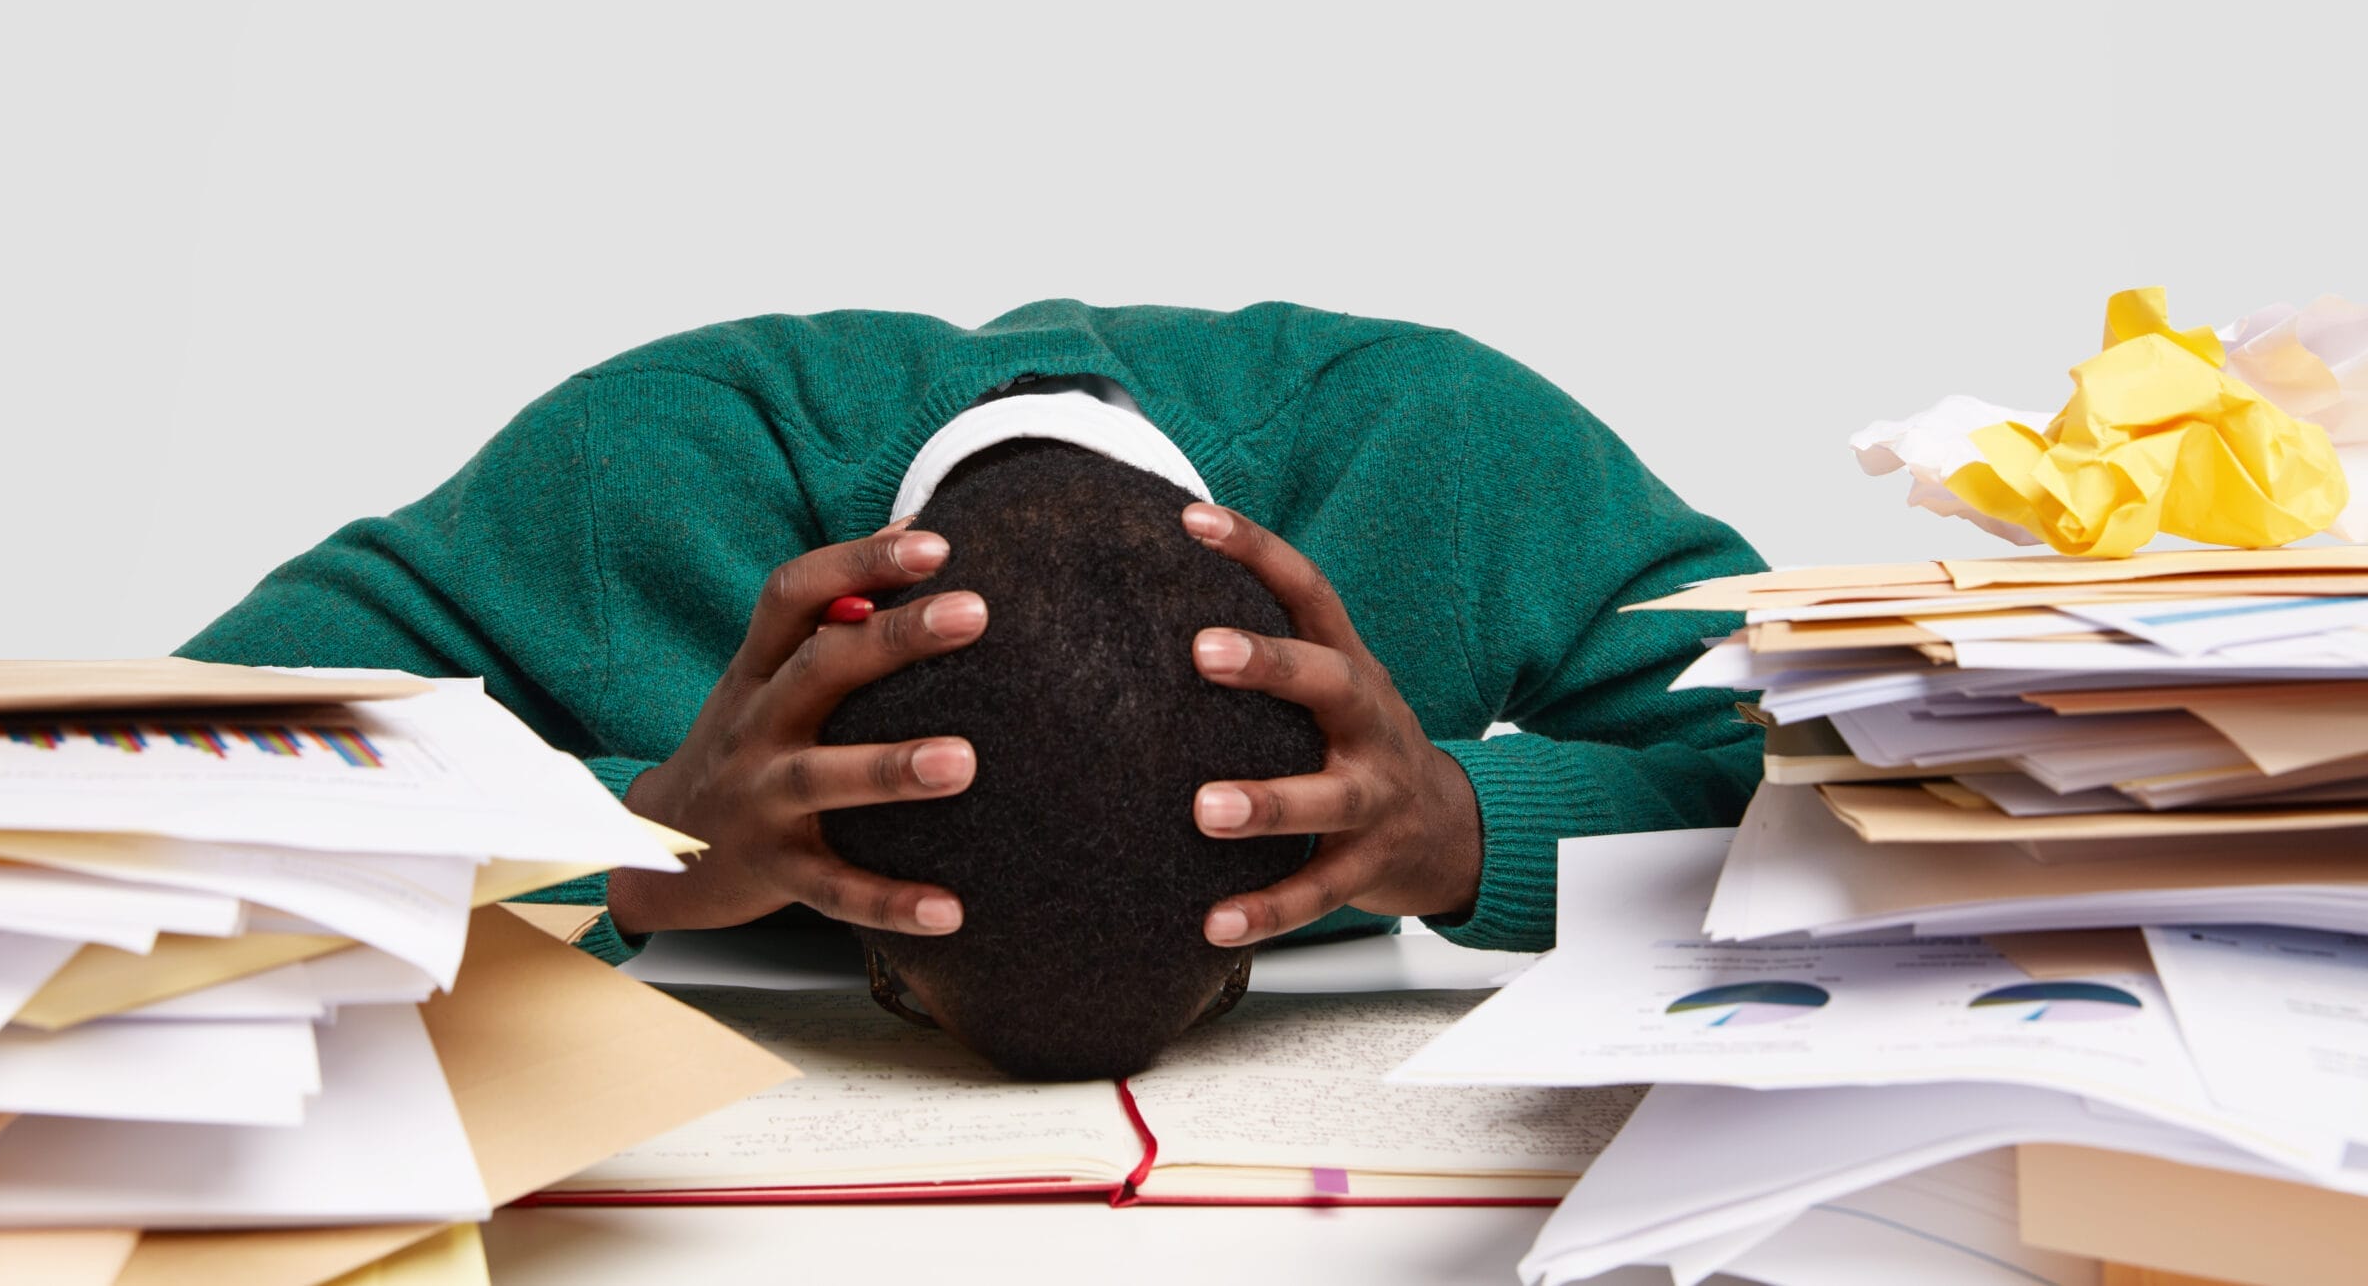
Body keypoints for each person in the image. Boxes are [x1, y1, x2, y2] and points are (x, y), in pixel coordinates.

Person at [181, 300, 1764, 1076]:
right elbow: (186, 773)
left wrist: (1465, 827)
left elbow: (1850, 788)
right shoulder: (633, 476)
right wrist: (636, 841)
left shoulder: (1450, 453)